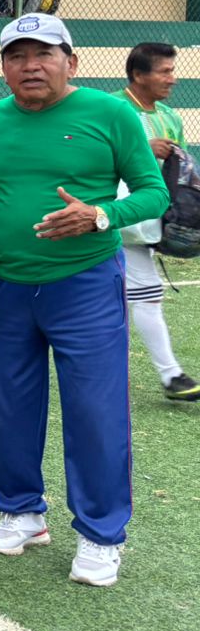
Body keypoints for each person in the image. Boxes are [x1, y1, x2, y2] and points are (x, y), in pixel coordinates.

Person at [0, 13, 166, 587]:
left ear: (71, 62)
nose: (30, 66)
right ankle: (22, 512)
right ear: (4, 67)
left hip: (85, 283)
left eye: (44, 54)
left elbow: (154, 192)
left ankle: (101, 534)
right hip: (7, 286)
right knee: (7, 404)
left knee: (95, 410)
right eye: (17, 56)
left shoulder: (110, 114)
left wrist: (100, 214)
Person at [119, 42, 198, 401]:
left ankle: (108, 368)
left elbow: (180, 171)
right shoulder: (112, 109)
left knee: (119, 296)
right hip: (117, 218)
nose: (172, 79)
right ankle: (171, 376)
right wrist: (143, 148)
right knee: (147, 294)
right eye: (165, 71)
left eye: (172, 70)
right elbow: (93, 159)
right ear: (138, 75)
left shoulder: (171, 116)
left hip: (148, 220)